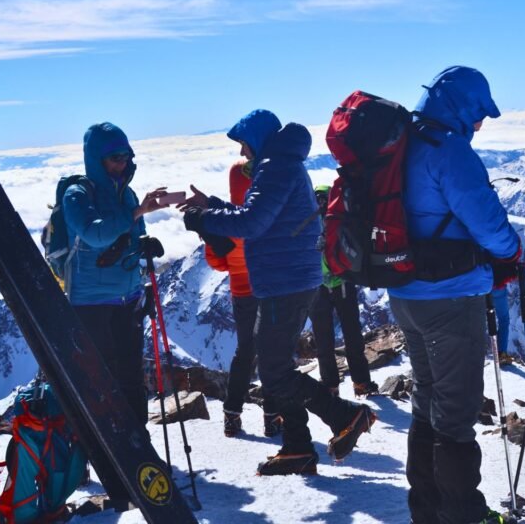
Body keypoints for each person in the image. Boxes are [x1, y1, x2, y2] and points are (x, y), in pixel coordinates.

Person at [180, 109, 376, 476]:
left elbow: (253, 223)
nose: (242, 152)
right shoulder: (281, 164)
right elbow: (261, 214)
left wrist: (203, 220)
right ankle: (298, 447)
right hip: (288, 277)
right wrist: (214, 207)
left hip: (284, 281)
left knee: (274, 371)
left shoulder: (274, 166)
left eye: (243, 143)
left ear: (256, 139)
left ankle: (346, 415)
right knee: (276, 367)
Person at [388, 66, 521, 524]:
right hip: (449, 295)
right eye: (479, 114)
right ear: (462, 108)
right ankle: (464, 515)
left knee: (427, 399)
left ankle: (425, 509)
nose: (481, 125)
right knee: (457, 411)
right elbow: (488, 225)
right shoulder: (449, 151)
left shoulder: (403, 142)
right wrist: (511, 252)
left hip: (403, 292)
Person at [62, 122, 170, 507]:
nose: (121, 164)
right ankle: (102, 459)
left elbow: (123, 237)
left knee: (130, 379)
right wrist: (137, 213)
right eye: (114, 157)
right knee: (100, 381)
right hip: (89, 303)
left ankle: (139, 453)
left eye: (126, 157)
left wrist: (143, 242)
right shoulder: (78, 194)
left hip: (126, 297)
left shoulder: (126, 194)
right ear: (96, 158)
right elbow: (93, 235)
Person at [203, 159, 282, 438]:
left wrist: (235, 265)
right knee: (271, 352)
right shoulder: (265, 215)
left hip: (241, 292)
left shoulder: (226, 221)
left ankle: (231, 415)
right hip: (269, 289)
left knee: (244, 351)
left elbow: (216, 260)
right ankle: (273, 417)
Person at [310, 185, 378, 397]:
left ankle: (330, 386)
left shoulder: (307, 221)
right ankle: (361, 382)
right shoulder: (339, 218)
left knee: (323, 339)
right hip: (344, 280)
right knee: (352, 334)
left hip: (317, 284)